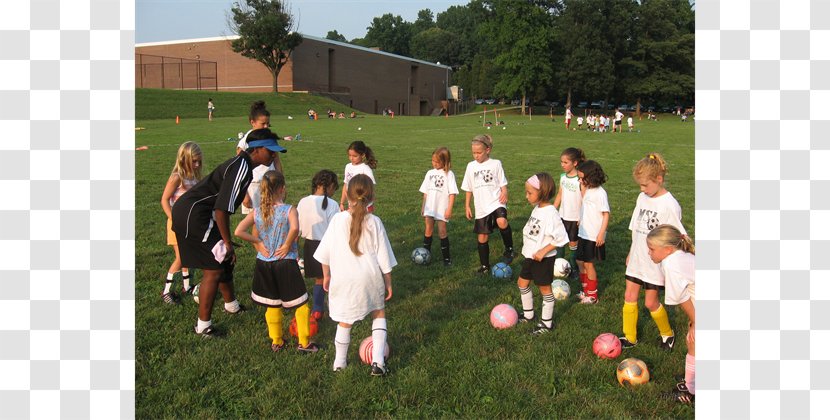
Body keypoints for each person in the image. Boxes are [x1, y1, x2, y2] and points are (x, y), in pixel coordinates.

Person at [172, 128, 285, 337]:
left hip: (197, 213)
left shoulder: (243, 165)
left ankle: (231, 305)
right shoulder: (241, 167)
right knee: (214, 268)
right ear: (257, 149)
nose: (273, 155)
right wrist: (228, 242)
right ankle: (203, 326)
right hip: (195, 215)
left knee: (223, 259)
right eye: (270, 151)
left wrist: (226, 245)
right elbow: (221, 209)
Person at [314, 174, 397, 375]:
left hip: (343, 280)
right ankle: (378, 363)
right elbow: (384, 257)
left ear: (348, 195)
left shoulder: (337, 220)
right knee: (378, 312)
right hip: (369, 278)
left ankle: (339, 363)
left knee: (345, 320)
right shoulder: (375, 222)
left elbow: (324, 253)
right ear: (371, 197)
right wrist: (388, 281)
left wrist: (326, 276)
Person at [234, 170, 319, 353]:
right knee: (301, 305)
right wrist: (287, 244)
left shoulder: (257, 212)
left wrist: (258, 243)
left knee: (272, 304)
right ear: (282, 188)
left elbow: (239, 231)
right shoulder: (289, 209)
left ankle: (277, 341)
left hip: (264, 263)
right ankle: (304, 343)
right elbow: (295, 227)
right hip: (285, 263)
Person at [620, 152, 687, 350]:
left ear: (659, 179)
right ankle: (629, 337)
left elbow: (677, 236)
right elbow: (636, 227)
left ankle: (667, 333)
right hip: (637, 257)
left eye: (645, 185)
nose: (642, 189)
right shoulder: (642, 198)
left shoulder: (669, 204)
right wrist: (632, 252)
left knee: (650, 302)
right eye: (640, 185)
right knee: (629, 296)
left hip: (654, 260)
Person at [647, 225, 695, 404]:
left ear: (667, 249)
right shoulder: (679, 256)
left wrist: (696, 321)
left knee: (694, 342)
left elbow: (681, 297)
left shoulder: (672, 265)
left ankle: (689, 391)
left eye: (651, 249)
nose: (649, 253)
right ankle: (692, 382)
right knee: (694, 343)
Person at [516, 173, 569, 334]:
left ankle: (547, 324)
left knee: (545, 289)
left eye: (530, 193)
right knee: (522, 283)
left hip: (543, 260)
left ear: (543, 192)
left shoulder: (551, 213)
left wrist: (543, 250)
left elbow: (561, 238)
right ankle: (528, 315)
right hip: (530, 257)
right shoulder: (537, 209)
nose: (526, 196)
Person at [461, 134, 514, 275]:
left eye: (479, 153)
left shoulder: (496, 163)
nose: (476, 156)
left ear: (488, 150)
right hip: (481, 206)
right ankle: (485, 266)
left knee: (502, 221)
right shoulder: (470, 166)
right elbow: (468, 188)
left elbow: (502, 182)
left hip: (496, 201)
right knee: (482, 237)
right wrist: (467, 206)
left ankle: (509, 250)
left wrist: (505, 192)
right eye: (473, 153)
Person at [159, 141, 202, 304]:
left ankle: (187, 286)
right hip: (177, 225)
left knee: (188, 256)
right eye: (194, 161)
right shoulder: (177, 177)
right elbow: (164, 200)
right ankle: (166, 292)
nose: (197, 164)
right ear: (184, 159)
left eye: (199, 161)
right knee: (182, 257)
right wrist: (174, 219)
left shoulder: (194, 178)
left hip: (190, 225)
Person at [297, 169, 340, 321]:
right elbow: (336, 229)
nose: (335, 191)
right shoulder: (333, 205)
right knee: (330, 278)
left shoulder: (303, 202)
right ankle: (325, 307)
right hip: (328, 246)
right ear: (328, 186)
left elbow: (297, 227)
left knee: (319, 278)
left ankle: (317, 309)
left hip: (309, 245)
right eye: (335, 187)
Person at [236, 101, 283, 215]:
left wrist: (281, 182)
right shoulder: (246, 141)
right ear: (253, 122)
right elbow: (239, 169)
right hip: (254, 186)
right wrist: (244, 194)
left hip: (270, 183)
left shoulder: (269, 138)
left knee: (271, 217)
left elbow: (276, 160)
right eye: (263, 123)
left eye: (268, 123)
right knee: (256, 220)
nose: (266, 126)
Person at [573, 160, 609, 304]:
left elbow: (606, 214)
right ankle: (585, 289)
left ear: (592, 177)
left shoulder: (600, 193)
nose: (580, 180)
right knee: (579, 260)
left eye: (582, 178)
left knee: (588, 264)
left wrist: (601, 234)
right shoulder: (588, 189)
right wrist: (580, 219)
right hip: (583, 232)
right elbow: (585, 204)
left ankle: (592, 295)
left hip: (593, 235)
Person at [419, 147, 459, 266]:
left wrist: (449, 208)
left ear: (445, 161)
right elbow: (425, 192)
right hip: (430, 207)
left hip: (442, 208)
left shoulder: (449, 174)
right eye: (433, 161)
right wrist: (423, 206)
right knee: (428, 230)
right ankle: (426, 255)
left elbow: (452, 193)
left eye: (437, 162)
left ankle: (446, 259)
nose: (434, 163)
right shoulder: (429, 173)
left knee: (442, 231)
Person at [552, 147, 585, 278]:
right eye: (561, 162)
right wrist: (553, 209)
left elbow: (584, 198)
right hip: (562, 215)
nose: (562, 165)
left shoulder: (581, 179)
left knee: (573, 243)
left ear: (575, 163)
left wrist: (582, 216)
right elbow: (560, 194)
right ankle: (558, 264)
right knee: (560, 240)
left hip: (575, 217)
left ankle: (573, 266)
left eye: (565, 162)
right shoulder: (562, 177)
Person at [340, 141, 377, 211]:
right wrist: (342, 202)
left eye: (355, 156)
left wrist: (361, 203)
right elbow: (346, 185)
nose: (351, 158)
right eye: (349, 155)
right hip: (352, 205)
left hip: (364, 206)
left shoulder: (366, 169)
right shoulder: (348, 166)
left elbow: (370, 189)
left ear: (362, 155)